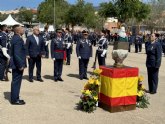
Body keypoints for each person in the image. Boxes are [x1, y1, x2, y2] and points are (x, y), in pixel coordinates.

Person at [10, 25, 26, 105]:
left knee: (16, 81)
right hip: (17, 65)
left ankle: (15, 97)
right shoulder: (18, 39)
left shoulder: (15, 38)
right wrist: (20, 65)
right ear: (18, 31)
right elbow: (17, 54)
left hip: (16, 63)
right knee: (16, 81)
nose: (23, 29)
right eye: (22, 28)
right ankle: (15, 99)